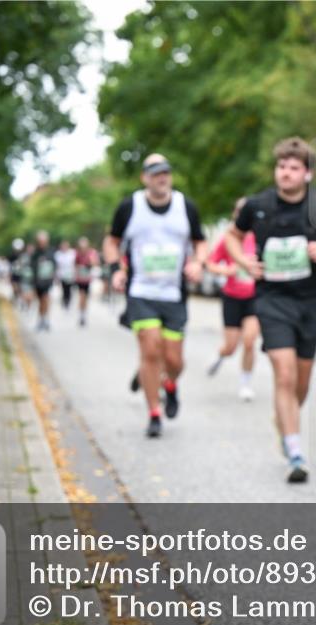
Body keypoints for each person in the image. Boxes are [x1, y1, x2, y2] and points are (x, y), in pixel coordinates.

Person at [226, 137, 316, 483]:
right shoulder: (257, 205)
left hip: (308, 304)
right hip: (271, 301)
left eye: (293, 168)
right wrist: (244, 262)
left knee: (301, 382)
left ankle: (284, 422)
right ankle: (295, 451)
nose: (285, 173)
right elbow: (231, 237)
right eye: (281, 166)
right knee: (283, 374)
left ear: (307, 173)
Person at [104, 153, 207, 438]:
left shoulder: (186, 206)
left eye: (165, 172)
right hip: (141, 292)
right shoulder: (130, 207)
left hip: (174, 294)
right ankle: (154, 413)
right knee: (150, 350)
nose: (162, 178)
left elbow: (200, 242)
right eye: (155, 173)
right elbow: (111, 242)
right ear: (144, 178)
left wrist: (198, 263)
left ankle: (170, 384)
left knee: (174, 361)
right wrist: (116, 269)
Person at [205, 197, 259, 402]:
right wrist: (227, 270)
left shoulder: (260, 236)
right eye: (240, 211)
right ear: (235, 214)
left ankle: (245, 384)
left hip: (255, 297)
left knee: (249, 341)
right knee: (231, 346)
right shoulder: (228, 238)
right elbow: (210, 264)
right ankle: (221, 354)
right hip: (232, 297)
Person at [30, 230, 57, 331]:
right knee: (41, 301)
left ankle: (45, 319)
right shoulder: (35, 253)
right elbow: (32, 267)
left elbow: (54, 265)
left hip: (47, 281)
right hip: (38, 281)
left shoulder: (51, 252)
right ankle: (41, 319)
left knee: (46, 299)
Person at [74, 236, 99, 327]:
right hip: (80, 278)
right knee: (81, 296)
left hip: (88, 279)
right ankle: (81, 314)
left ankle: (84, 314)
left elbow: (95, 263)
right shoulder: (77, 253)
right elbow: (75, 264)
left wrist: (91, 262)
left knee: (86, 297)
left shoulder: (91, 253)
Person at [55, 239, 77, 311]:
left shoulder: (72, 253)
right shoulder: (58, 254)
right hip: (62, 274)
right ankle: (64, 300)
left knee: (69, 289)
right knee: (64, 288)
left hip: (70, 274)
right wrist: (56, 276)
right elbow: (57, 266)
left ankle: (68, 301)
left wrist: (75, 274)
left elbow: (74, 264)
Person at [8, 238, 26, 303]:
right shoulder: (11, 257)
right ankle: (16, 298)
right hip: (14, 275)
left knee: (21, 288)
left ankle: (21, 299)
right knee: (15, 288)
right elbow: (10, 267)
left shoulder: (24, 256)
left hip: (22, 275)